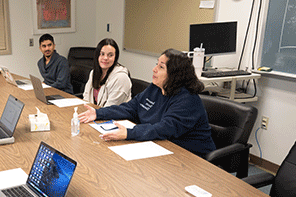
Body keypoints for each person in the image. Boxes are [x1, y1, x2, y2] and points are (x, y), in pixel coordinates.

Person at [78, 48, 216, 156]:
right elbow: (130, 108)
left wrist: (129, 133)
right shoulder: (155, 88)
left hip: (189, 157)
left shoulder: (187, 100)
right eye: (157, 64)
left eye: (161, 67)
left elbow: (164, 128)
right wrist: (98, 113)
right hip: (159, 147)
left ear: (175, 74)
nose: (154, 69)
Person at [82, 38, 132, 107]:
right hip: (95, 113)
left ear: (115, 57)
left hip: (114, 116)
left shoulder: (121, 78)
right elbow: (86, 96)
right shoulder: (94, 73)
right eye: (102, 54)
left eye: (110, 55)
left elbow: (110, 108)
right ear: (97, 55)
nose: (105, 58)